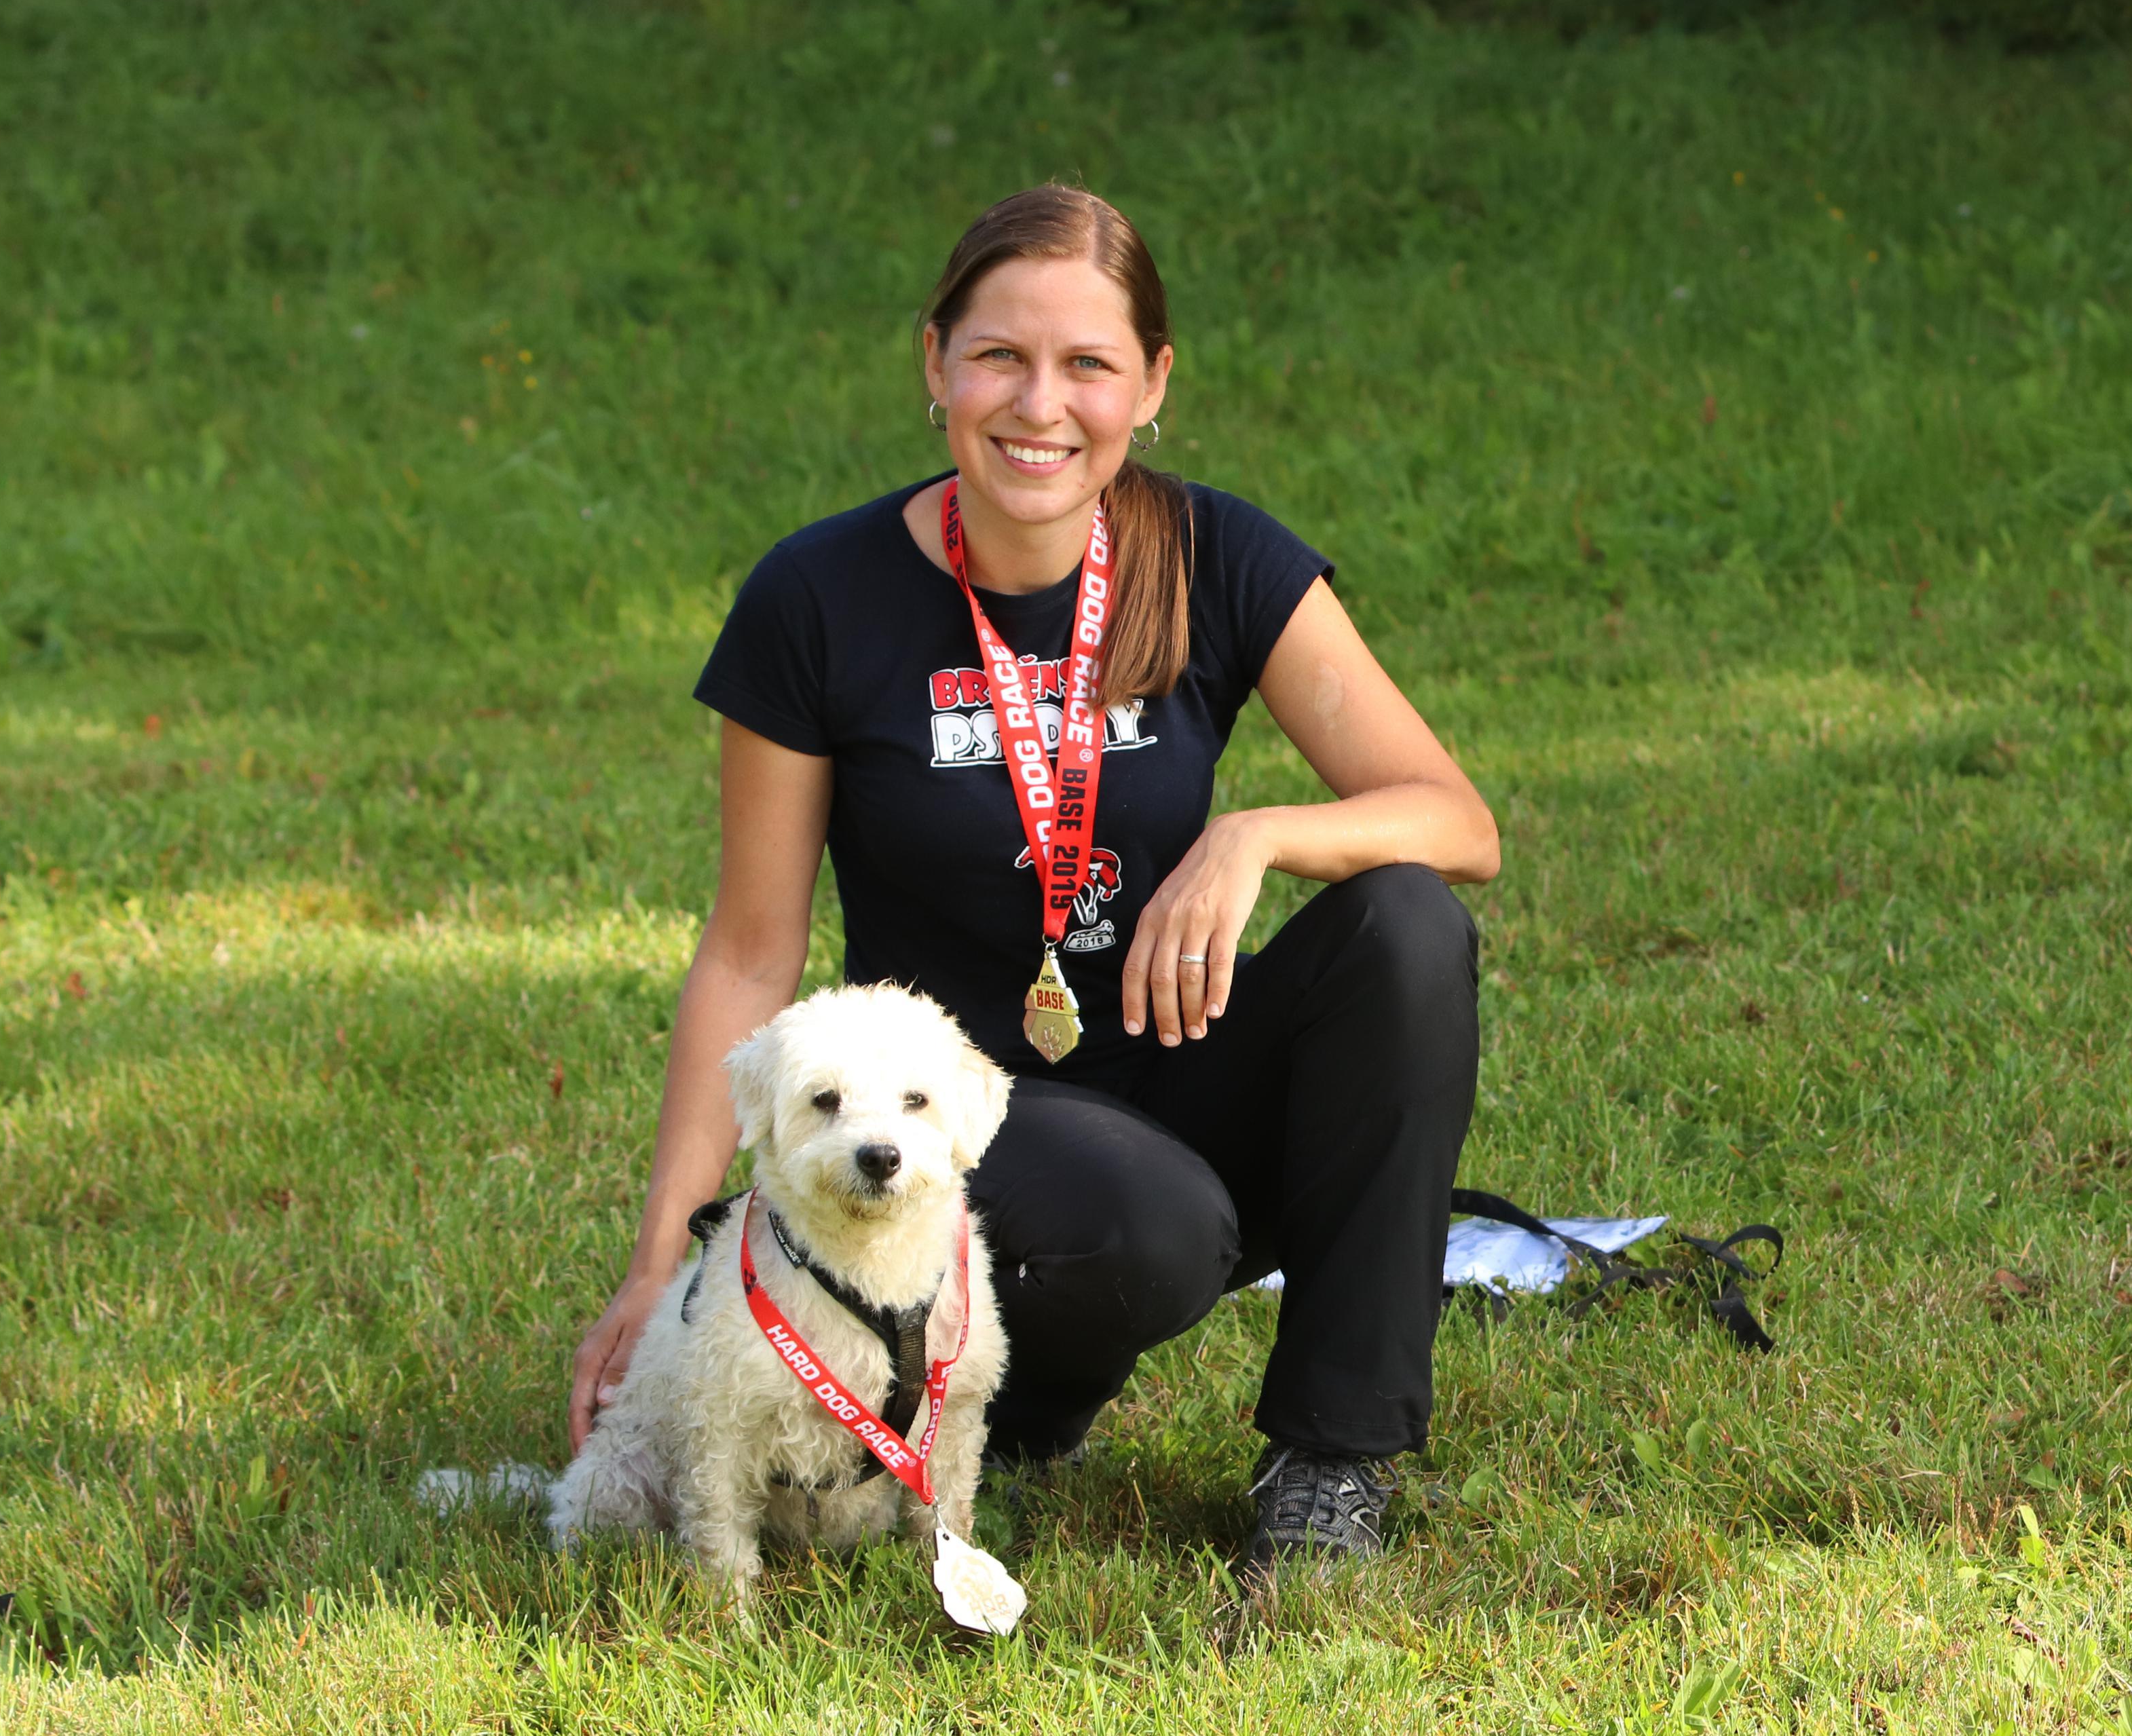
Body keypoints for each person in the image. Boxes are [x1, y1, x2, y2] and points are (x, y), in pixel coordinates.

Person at [565, 183, 1501, 1574]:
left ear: (1153, 384)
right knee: (1149, 1218)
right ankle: (994, 1393)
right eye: (999, 354)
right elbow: (750, 952)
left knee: (1406, 927)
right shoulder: (815, 598)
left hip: (1178, 1075)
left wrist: (1254, 835)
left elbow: (1452, 818)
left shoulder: (1218, 557)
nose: (1038, 404)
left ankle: (1330, 1460)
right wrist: (661, 1263)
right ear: (933, 362)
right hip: (967, 1138)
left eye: (1087, 365)